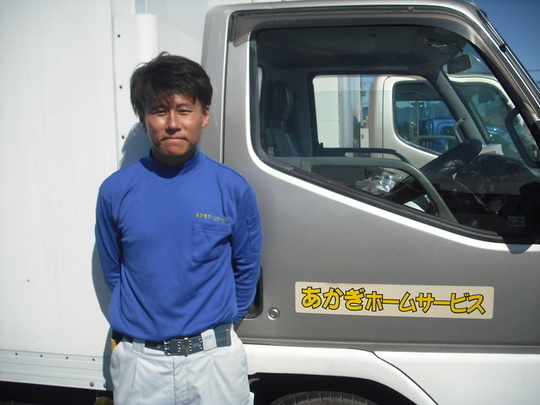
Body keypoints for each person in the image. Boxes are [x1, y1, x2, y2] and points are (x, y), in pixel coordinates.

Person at [95, 52, 262, 405]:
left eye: (184, 110)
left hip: (214, 362)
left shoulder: (233, 188)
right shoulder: (115, 191)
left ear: (205, 115)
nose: (172, 123)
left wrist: (226, 321)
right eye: (159, 111)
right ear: (142, 117)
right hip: (141, 364)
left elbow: (247, 266)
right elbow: (114, 270)